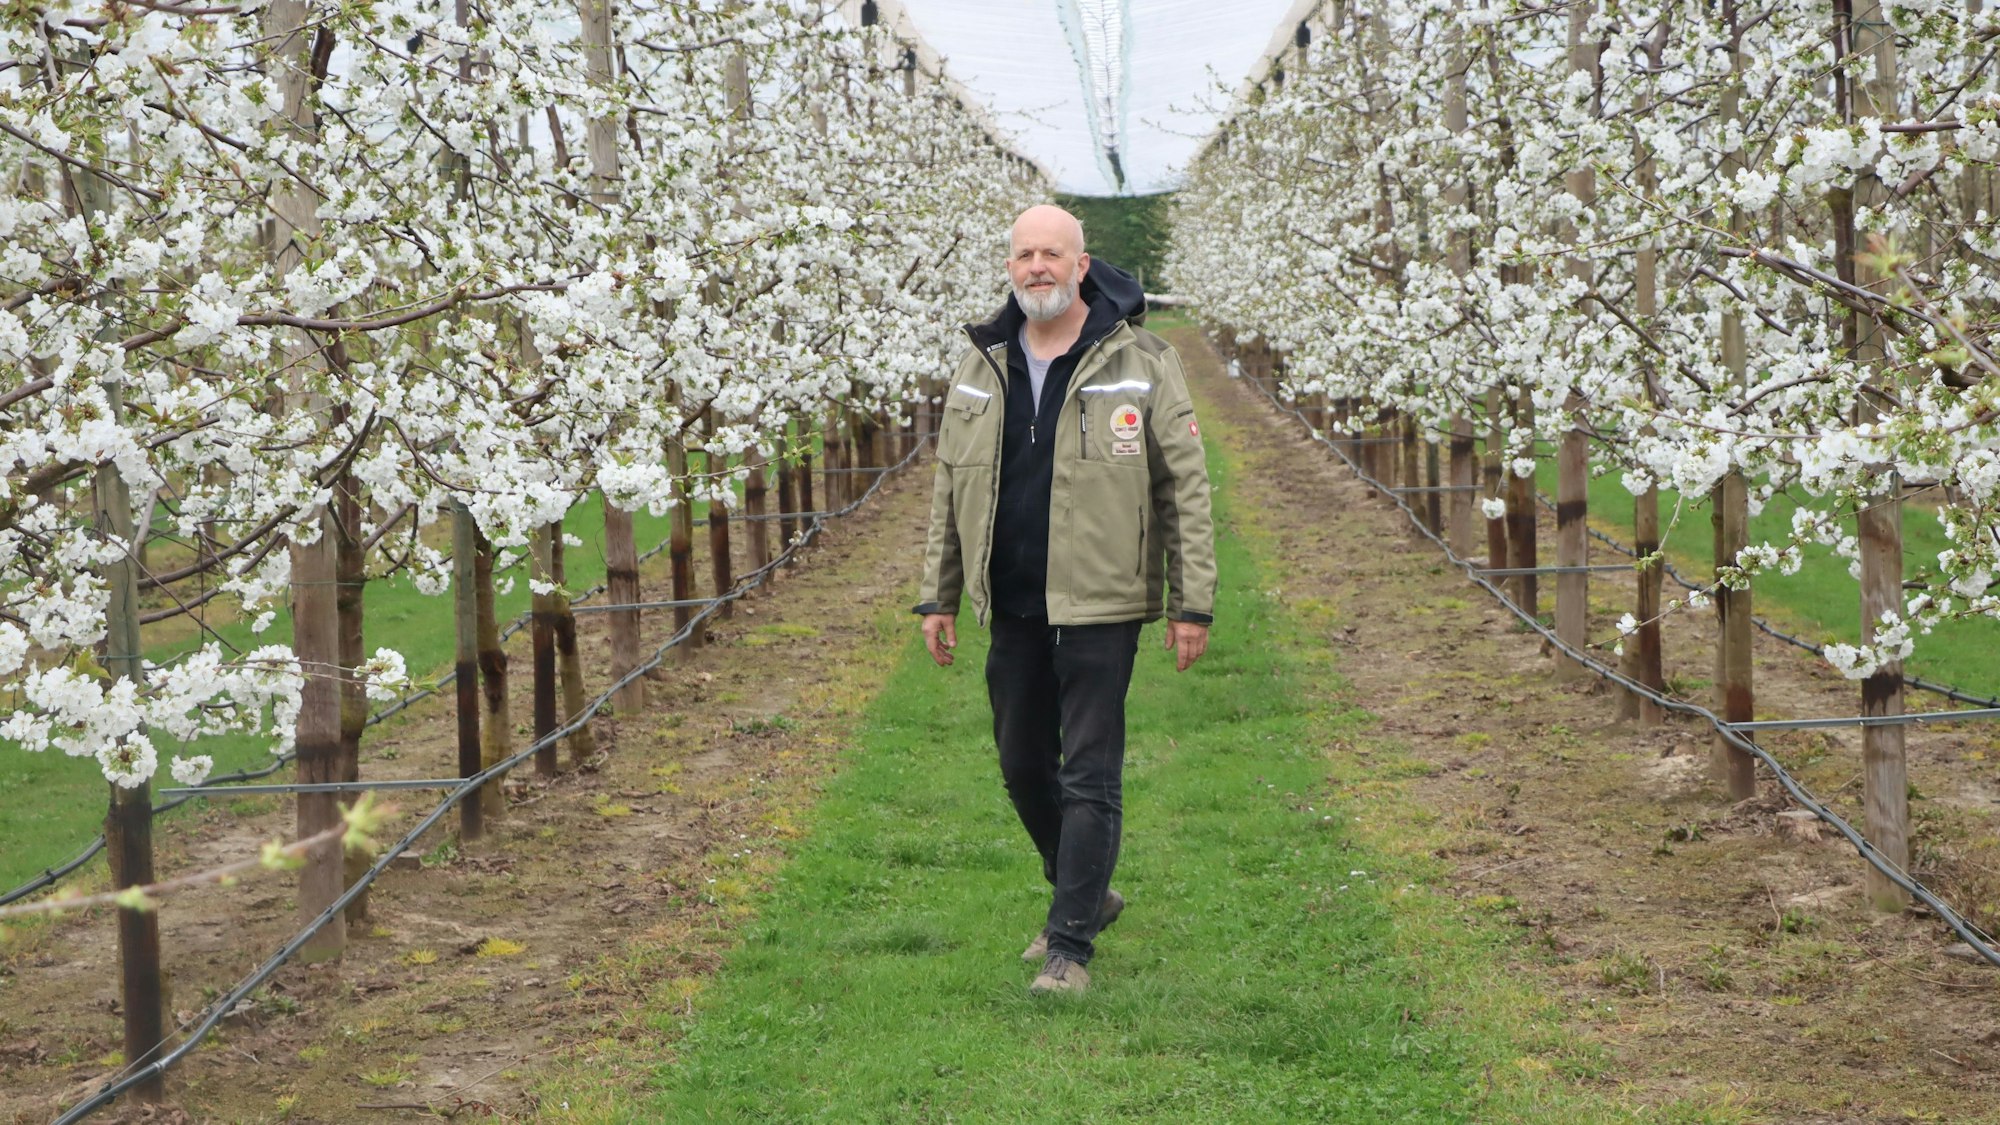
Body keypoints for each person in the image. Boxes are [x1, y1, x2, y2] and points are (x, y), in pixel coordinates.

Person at [913, 204, 1217, 996]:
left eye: (1053, 253)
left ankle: (1069, 945)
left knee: (1089, 770)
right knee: (1020, 764)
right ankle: (1084, 888)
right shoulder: (982, 363)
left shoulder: (1143, 360)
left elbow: (1183, 485)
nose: (1037, 267)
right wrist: (936, 595)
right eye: (1024, 254)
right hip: (1012, 599)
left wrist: (1194, 602)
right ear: (1009, 267)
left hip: (1102, 601)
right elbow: (951, 485)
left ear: (1083, 265)